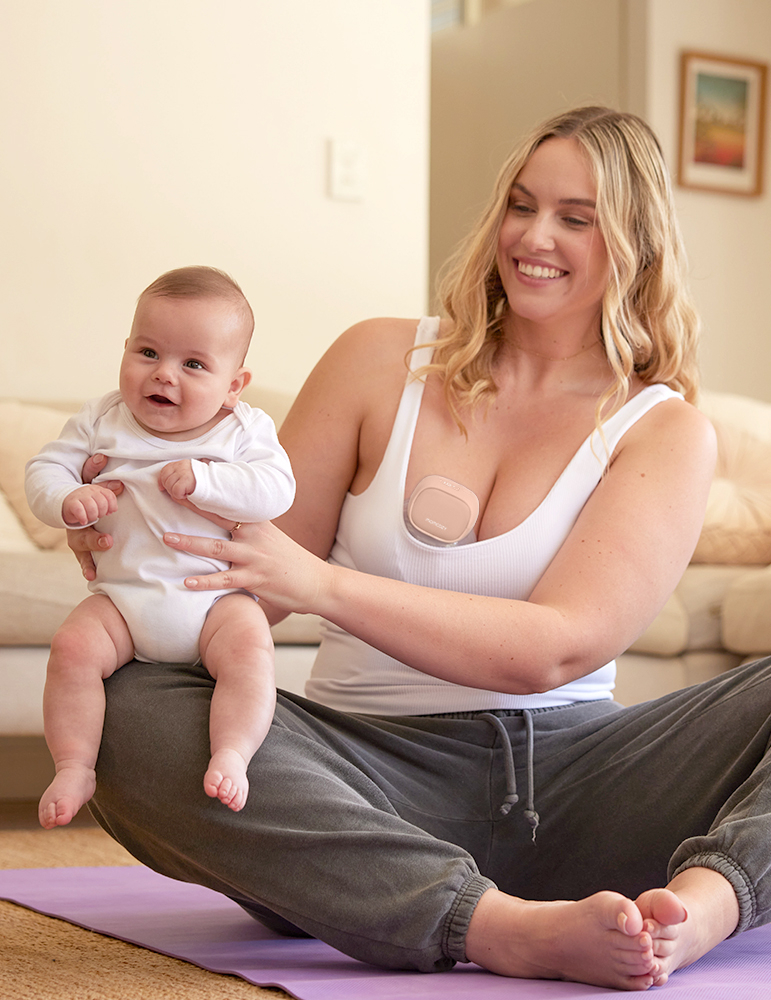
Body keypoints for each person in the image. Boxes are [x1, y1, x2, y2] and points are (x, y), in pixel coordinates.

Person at [67, 107, 771, 991]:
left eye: (575, 218)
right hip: (357, 781)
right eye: (521, 205)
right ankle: (492, 927)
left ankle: (700, 908)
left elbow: (552, 650)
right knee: (118, 703)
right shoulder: (377, 359)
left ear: (636, 246)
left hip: (582, 787)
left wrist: (324, 586)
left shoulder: (664, 430)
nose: (533, 237)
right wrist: (135, 537)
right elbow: (251, 578)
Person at [26, 266, 295, 829]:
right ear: (125, 348)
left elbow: (277, 490)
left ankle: (233, 753)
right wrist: (68, 498)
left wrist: (208, 480)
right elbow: (44, 469)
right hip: (122, 602)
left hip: (214, 602)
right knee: (72, 649)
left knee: (250, 653)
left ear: (234, 385)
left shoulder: (243, 430)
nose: (164, 374)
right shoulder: (102, 418)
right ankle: (74, 764)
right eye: (148, 352)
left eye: (193, 364)